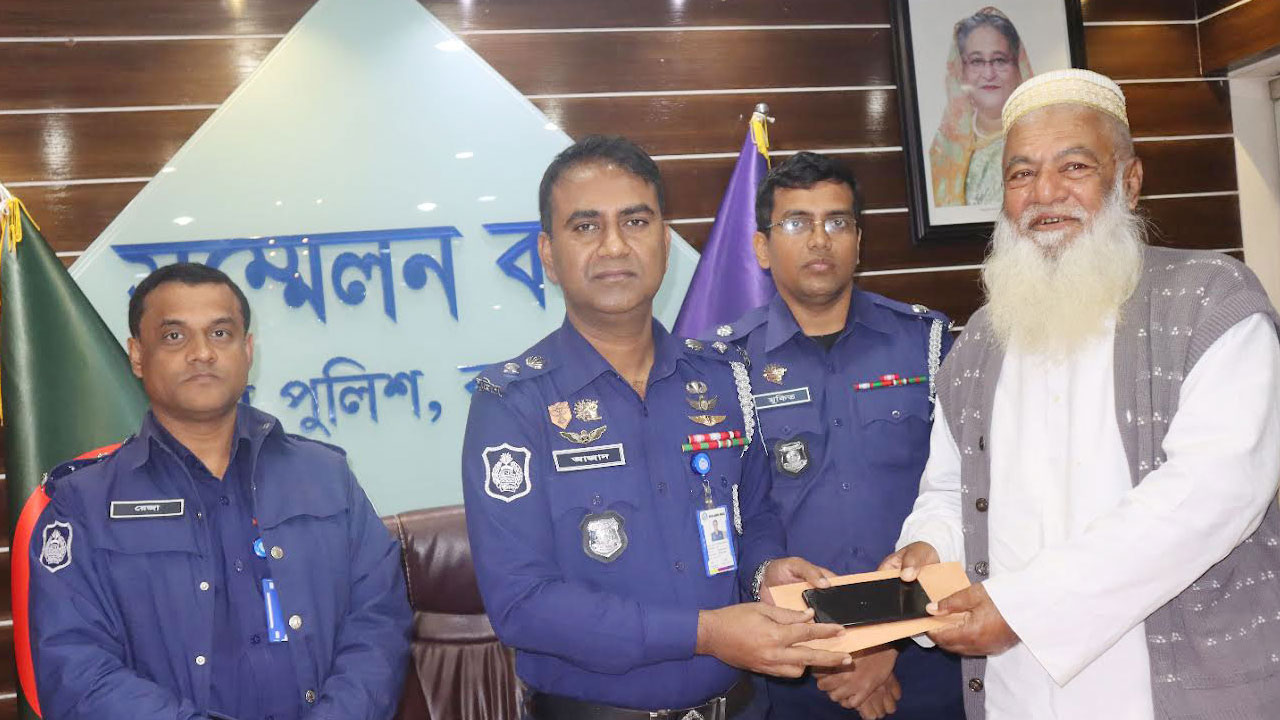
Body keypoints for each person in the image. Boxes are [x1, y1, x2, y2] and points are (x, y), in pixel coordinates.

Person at [887, 69, 1280, 719]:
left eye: (1074, 167)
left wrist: (1027, 609)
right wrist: (931, 548)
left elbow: (1213, 494)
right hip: (1015, 693)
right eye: (1021, 173)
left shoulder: (1213, 301)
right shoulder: (982, 337)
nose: (1045, 193)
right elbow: (950, 489)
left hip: (1168, 693)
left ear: (1129, 180)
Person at [462, 136, 854, 720]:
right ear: (548, 254)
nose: (614, 245)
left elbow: (755, 517)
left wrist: (765, 571)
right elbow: (522, 604)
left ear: (665, 242)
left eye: (636, 221)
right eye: (586, 226)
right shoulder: (513, 404)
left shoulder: (724, 379)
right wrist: (705, 633)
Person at [27, 263, 412, 720]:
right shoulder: (82, 505)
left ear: (247, 350)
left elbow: (379, 622)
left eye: (221, 334)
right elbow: (77, 671)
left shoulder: (325, 475)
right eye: (175, 336)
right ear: (137, 355)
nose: (202, 353)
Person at [714, 152, 963, 720]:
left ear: (859, 241)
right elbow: (727, 512)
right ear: (761, 248)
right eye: (796, 222)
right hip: (792, 667)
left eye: (837, 221)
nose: (819, 239)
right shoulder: (723, 364)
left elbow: (965, 492)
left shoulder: (926, 343)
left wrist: (887, 642)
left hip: (924, 657)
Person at [930, 7, 1032, 207]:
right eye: (976, 61)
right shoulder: (944, 149)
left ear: (1018, 68)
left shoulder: (1037, 142)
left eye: (999, 60)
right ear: (961, 71)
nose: (988, 73)